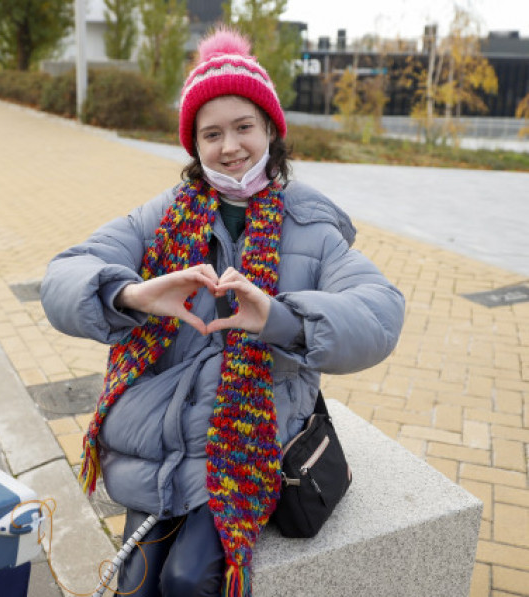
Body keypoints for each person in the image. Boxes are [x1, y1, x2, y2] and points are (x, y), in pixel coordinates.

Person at [40, 27, 405, 597]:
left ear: (270, 132)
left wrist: (282, 320)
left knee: (189, 581)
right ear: (195, 146)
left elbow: (381, 314)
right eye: (212, 134)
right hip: (158, 434)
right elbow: (64, 273)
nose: (229, 146)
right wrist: (131, 295)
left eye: (243, 127)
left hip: (246, 431)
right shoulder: (164, 216)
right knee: (136, 585)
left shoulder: (310, 224)